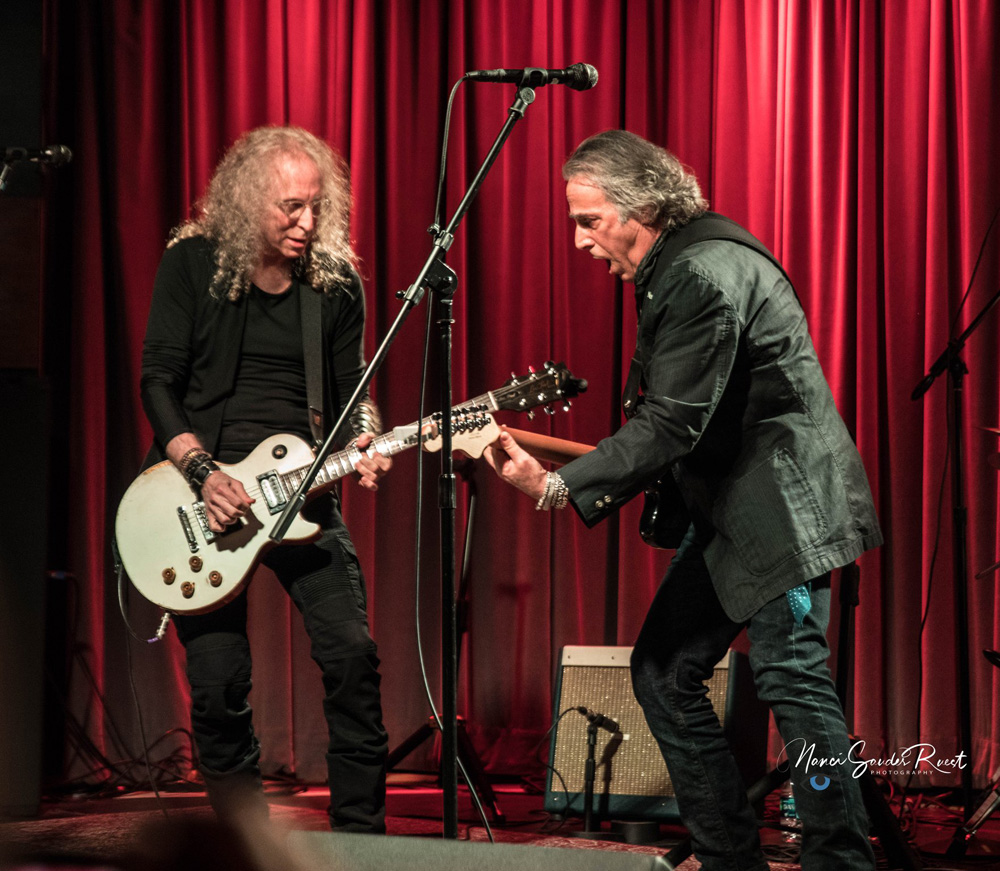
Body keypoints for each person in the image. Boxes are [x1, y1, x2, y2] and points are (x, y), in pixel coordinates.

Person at [485, 130, 882, 870]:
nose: (579, 240)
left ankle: (842, 859)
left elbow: (671, 422)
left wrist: (555, 485)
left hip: (784, 513)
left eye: (588, 219)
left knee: (791, 675)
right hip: (742, 510)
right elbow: (683, 418)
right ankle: (730, 854)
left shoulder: (699, 272)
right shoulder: (686, 262)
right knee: (664, 670)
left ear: (639, 207)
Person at [139, 125, 390, 832]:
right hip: (205, 496)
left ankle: (362, 841)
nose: (307, 222)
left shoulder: (335, 283)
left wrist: (365, 433)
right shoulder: (193, 264)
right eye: (289, 207)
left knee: (352, 656)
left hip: (304, 494)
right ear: (249, 202)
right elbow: (158, 378)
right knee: (220, 686)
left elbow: (351, 394)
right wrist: (200, 468)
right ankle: (245, 840)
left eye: (316, 207)